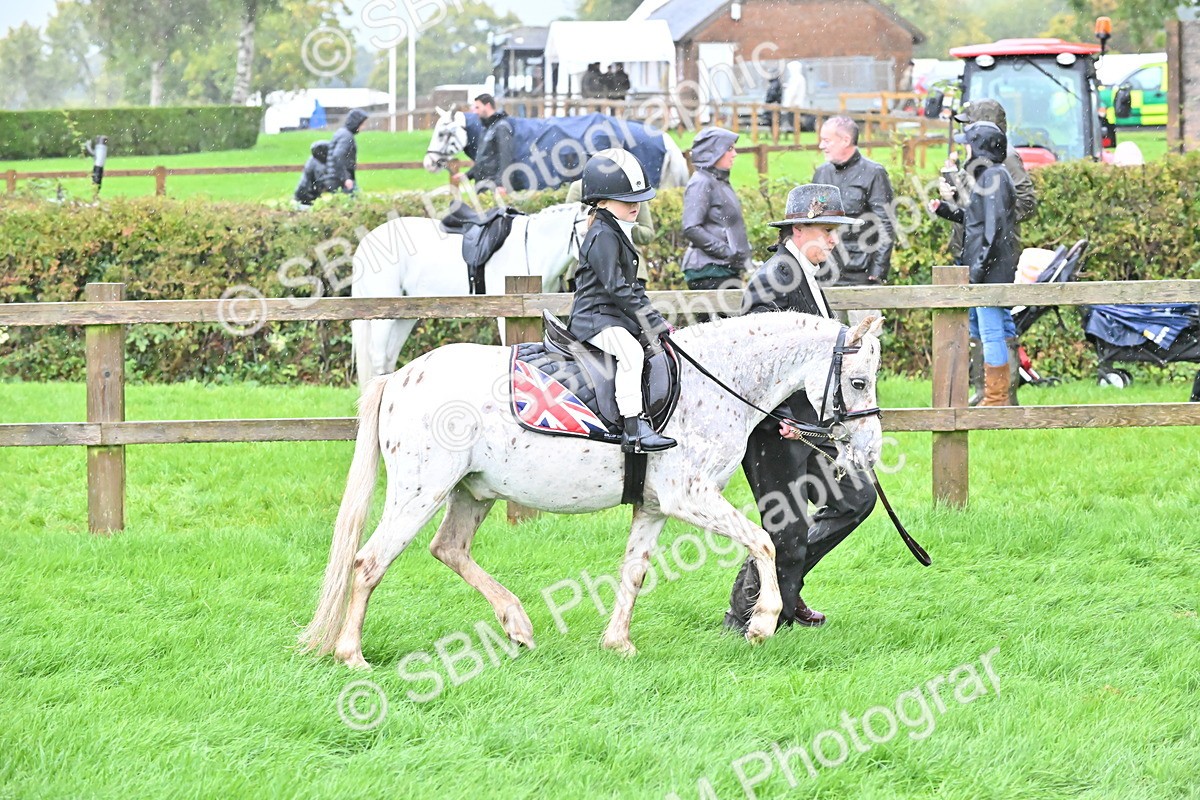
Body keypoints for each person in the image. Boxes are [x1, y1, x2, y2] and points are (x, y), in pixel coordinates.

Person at [724, 183, 878, 633]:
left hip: (812, 429)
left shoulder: (805, 275)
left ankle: (784, 593)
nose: (834, 240)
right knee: (786, 532)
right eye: (828, 230)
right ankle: (744, 616)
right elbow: (752, 365)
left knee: (856, 498)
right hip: (774, 432)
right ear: (800, 227)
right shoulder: (772, 280)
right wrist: (780, 420)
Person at [568, 149, 675, 454]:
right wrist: (651, 321)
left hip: (611, 316)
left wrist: (657, 320)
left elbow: (633, 288)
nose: (636, 207)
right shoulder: (602, 234)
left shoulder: (615, 231)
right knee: (630, 353)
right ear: (602, 202)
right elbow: (616, 288)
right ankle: (633, 428)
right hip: (594, 318)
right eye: (628, 201)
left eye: (638, 201)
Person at [940, 99, 1037, 406]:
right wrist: (954, 191)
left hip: (991, 257)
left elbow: (1024, 203)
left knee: (993, 325)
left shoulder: (1003, 160)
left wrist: (995, 226)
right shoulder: (981, 160)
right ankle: (991, 393)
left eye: (967, 123)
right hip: (976, 252)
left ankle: (999, 395)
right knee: (985, 324)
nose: (962, 129)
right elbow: (975, 206)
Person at [931, 121, 1019, 406]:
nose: (964, 148)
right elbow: (975, 220)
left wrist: (977, 271)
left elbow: (992, 231)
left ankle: (996, 398)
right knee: (990, 331)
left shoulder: (994, 176)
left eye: (968, 143)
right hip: (988, 267)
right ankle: (994, 395)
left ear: (980, 147)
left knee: (993, 332)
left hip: (990, 270)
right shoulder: (989, 176)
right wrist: (944, 209)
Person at [811, 117, 895, 305]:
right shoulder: (822, 173)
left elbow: (886, 224)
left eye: (826, 140)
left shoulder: (874, 173)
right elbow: (811, 222)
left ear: (845, 140)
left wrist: (878, 270)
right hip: (826, 270)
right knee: (826, 332)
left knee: (866, 333)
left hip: (862, 272)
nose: (820, 146)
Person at [681, 127, 751, 293]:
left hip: (725, 269)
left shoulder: (719, 181)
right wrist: (727, 252)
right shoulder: (701, 182)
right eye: (729, 148)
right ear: (714, 151)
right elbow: (691, 227)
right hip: (708, 272)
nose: (734, 154)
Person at [562, 176, 655, 291]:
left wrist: (625, 224)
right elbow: (568, 229)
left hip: (630, 268)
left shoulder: (635, 186)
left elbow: (648, 234)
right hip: (585, 268)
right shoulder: (579, 187)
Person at [453, 94, 514, 196]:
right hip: (482, 187)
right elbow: (483, 161)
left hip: (494, 188)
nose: (475, 111)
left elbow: (506, 158)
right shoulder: (486, 129)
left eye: (477, 107)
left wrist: (502, 184)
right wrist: (467, 175)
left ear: (488, 106)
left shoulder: (501, 127)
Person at [328, 108, 368, 194]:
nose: (363, 127)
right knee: (354, 201)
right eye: (362, 124)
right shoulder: (347, 136)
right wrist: (346, 178)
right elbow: (338, 156)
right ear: (357, 123)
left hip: (335, 178)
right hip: (341, 180)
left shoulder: (341, 133)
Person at [293, 140, 331, 207]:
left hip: (302, 193)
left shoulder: (313, 159)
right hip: (308, 196)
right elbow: (322, 182)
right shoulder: (318, 165)